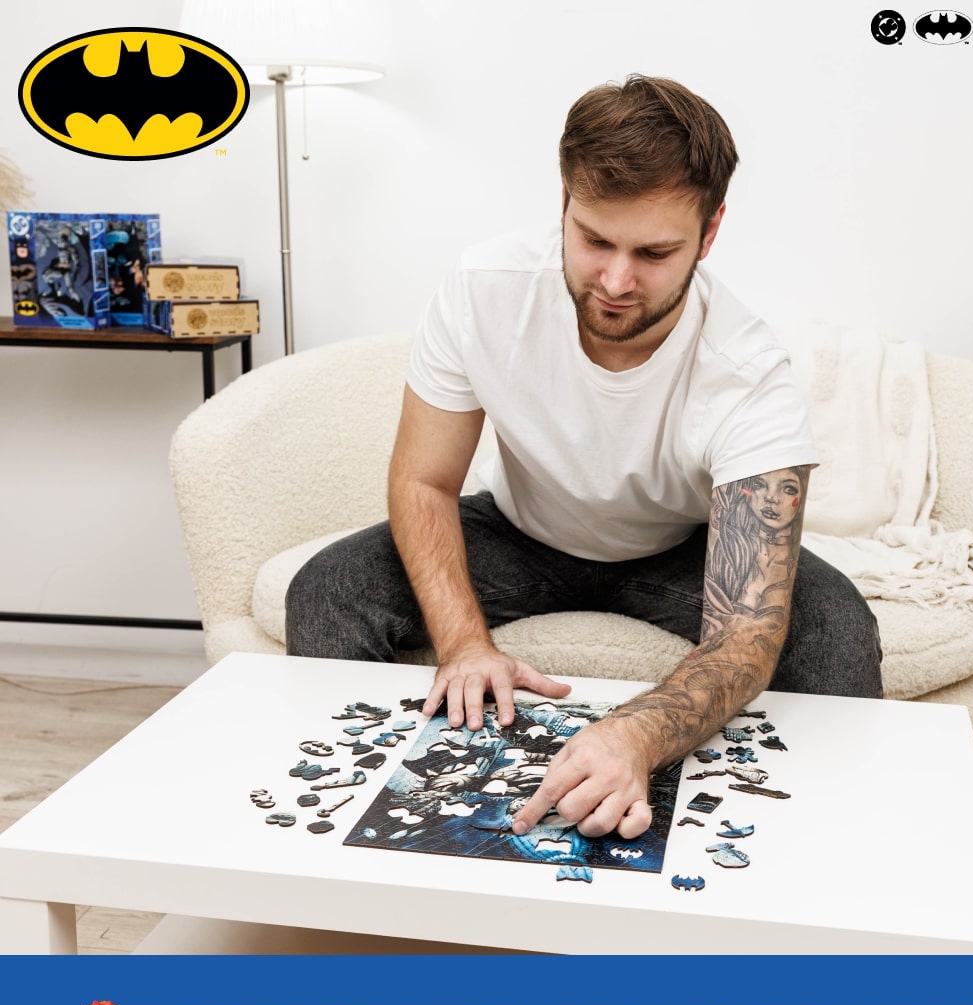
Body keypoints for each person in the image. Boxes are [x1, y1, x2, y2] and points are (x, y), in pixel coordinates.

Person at [287, 75, 882, 840]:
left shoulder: (749, 370)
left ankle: (822, 854)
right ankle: (351, 831)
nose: (616, 280)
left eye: (655, 252)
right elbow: (423, 479)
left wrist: (636, 733)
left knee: (834, 628)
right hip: (518, 530)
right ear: (563, 203)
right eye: (595, 239)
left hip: (677, 548)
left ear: (710, 232)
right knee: (327, 589)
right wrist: (466, 645)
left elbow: (744, 635)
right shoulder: (483, 291)